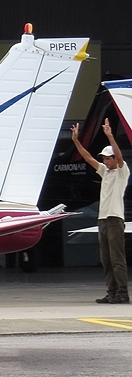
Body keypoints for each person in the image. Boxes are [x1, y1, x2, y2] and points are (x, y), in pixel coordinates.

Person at [71, 118, 130, 303]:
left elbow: (120, 158)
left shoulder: (122, 171)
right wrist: (75, 141)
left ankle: (122, 293)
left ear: (113, 159)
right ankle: (111, 292)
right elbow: (88, 158)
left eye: (107, 158)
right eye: (104, 158)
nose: (105, 161)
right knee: (106, 259)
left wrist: (110, 136)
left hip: (114, 219)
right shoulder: (105, 171)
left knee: (117, 259)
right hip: (103, 219)